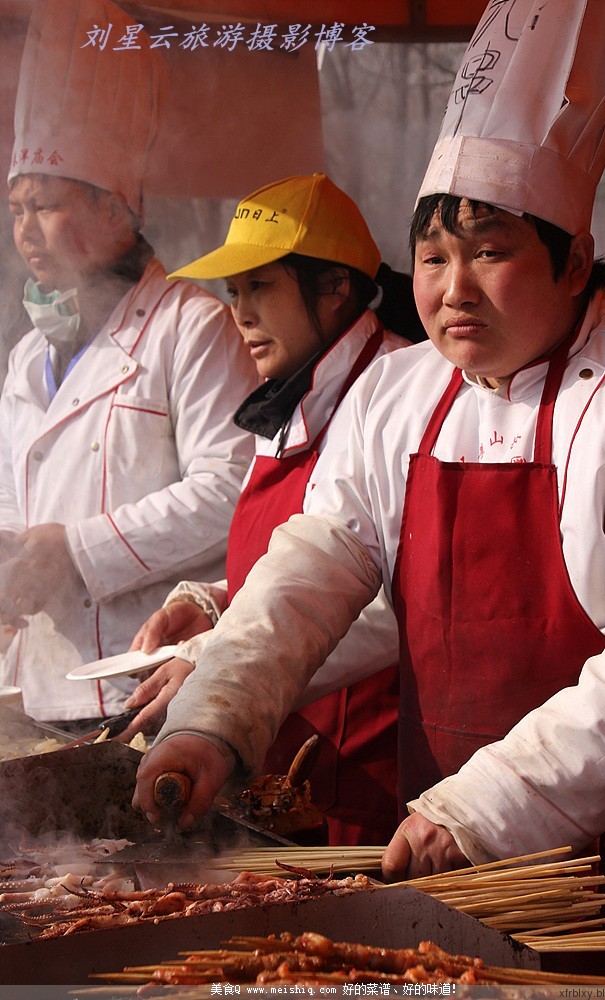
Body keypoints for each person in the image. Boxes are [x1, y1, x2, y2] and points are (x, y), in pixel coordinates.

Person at [134, 0, 605, 925]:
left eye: (490, 254)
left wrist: (491, 804)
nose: (451, 291)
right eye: (431, 258)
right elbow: (315, 567)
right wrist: (215, 715)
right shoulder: (403, 389)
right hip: (437, 842)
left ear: (575, 262)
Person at [120, 173, 412, 845]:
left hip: (367, 771)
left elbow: (382, 596)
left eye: (261, 287)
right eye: (234, 292)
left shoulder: (395, 394)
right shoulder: (287, 397)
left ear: (336, 286)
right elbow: (286, 565)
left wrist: (212, 656)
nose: (241, 314)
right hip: (272, 756)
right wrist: (216, 601)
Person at [0, 0, 257, 724]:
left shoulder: (191, 326)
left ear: (116, 210)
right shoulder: (28, 354)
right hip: (44, 682)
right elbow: (16, 490)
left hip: (151, 679)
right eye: (16, 208)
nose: (26, 230)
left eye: (46, 205)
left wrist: (79, 551)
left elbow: (232, 488)